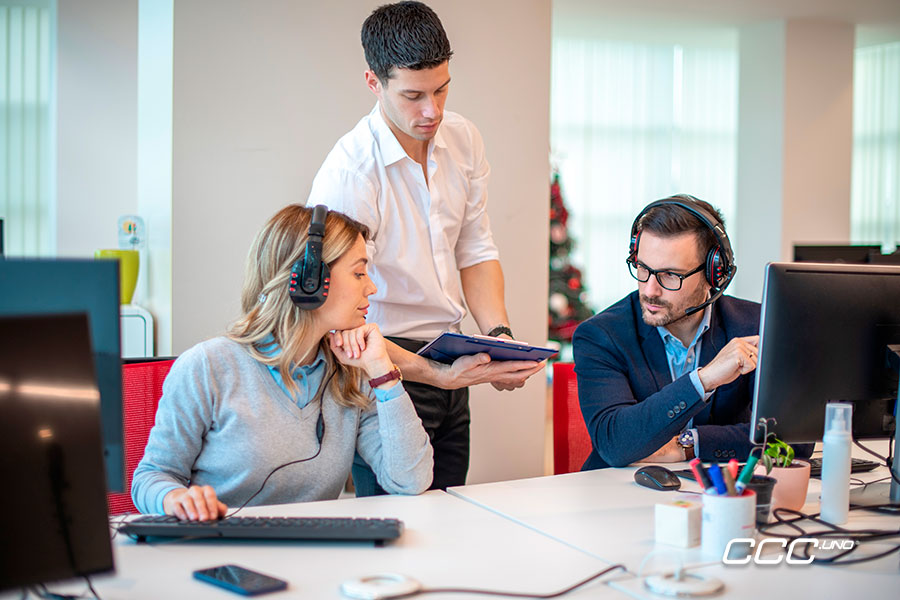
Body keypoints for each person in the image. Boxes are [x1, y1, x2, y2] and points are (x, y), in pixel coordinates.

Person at [308, 1, 542, 493]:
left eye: (442, 89)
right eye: (413, 95)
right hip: (381, 363)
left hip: (451, 347)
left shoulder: (464, 138)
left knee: (449, 515)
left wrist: (497, 337)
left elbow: (476, 249)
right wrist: (436, 375)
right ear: (374, 82)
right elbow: (337, 318)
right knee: (397, 524)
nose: (432, 110)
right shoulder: (351, 173)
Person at [131, 205, 433, 520]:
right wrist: (176, 499)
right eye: (359, 273)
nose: (371, 288)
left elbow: (410, 479)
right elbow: (152, 477)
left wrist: (383, 373)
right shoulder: (208, 367)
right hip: (220, 552)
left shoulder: (352, 374)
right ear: (310, 282)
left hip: (313, 557)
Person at [573, 195, 761, 470]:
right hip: (618, 497)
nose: (650, 290)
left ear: (713, 272)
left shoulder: (753, 326)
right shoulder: (601, 335)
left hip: (719, 495)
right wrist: (705, 379)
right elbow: (615, 444)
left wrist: (689, 444)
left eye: (671, 275)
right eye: (643, 269)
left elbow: (792, 439)